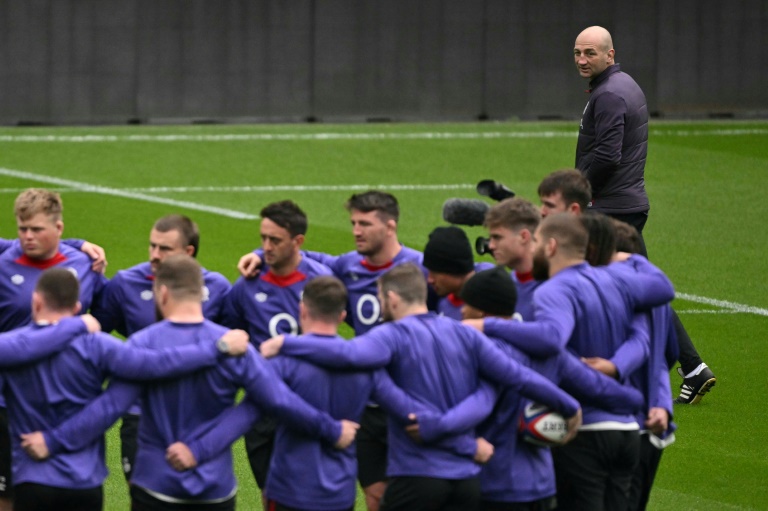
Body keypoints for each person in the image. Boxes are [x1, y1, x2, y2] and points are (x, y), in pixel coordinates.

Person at [23, 255, 356, 510]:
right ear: (201, 292)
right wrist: (331, 430)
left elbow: (110, 407)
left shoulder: (143, 344)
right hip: (216, 489)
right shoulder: (234, 344)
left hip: (155, 483)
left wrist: (53, 441)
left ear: (162, 292)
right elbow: (272, 401)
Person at [260, 263, 585, 511]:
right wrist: (569, 406)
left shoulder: (392, 335)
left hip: (417, 479)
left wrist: (286, 343)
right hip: (467, 482)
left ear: (391, 298)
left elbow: (348, 353)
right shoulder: (466, 334)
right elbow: (519, 377)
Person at [168, 275, 448, 511]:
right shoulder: (367, 368)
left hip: (290, 490)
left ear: (302, 310)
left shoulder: (281, 364)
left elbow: (245, 415)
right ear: (342, 316)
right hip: (339, 493)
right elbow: (409, 413)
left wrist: (196, 451)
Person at [465, 214, 673, 510]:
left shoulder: (554, 289)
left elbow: (551, 338)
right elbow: (664, 289)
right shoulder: (616, 280)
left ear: (550, 246)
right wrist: (631, 259)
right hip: (626, 431)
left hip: (583, 430)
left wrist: (487, 326)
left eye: (536, 241)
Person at [239, 190, 427, 511]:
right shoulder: (348, 265)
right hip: (365, 403)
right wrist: (261, 251)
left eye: (365, 223)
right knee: (375, 496)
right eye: (353, 222)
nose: (355, 230)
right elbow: (298, 252)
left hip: (407, 393)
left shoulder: (419, 268)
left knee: (411, 496)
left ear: (390, 226)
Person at [2, 268, 250, 511]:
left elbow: (25, 346)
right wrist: (217, 348)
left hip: (31, 477)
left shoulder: (10, 348)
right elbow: (153, 364)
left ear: (35, 302)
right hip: (83, 482)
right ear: (77, 308)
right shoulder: (99, 346)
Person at [414, 265, 647, 511]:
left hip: (492, 485)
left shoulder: (476, 355)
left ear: (480, 311)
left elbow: (468, 409)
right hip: (542, 486)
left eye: (466, 303)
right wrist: (642, 402)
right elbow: (604, 392)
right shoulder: (552, 356)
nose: (461, 309)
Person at [537, 169, 717, 405]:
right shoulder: (551, 254)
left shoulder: (610, 267)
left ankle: (692, 368)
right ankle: (692, 368)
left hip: (615, 202)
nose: (541, 211)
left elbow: (607, 155)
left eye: (548, 205)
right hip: (603, 401)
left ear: (573, 210)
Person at [90, 213, 232, 481]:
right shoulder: (125, 283)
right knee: (143, 496)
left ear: (188, 252)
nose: (154, 255)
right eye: (152, 245)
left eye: (164, 248)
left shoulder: (218, 288)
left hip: (199, 414)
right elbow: (97, 335)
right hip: (140, 413)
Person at [0, 188, 108, 510]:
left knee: (70, 488)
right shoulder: (4, 262)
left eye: (37, 230)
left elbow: (108, 312)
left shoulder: (85, 265)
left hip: (70, 398)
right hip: (9, 401)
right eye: (22, 229)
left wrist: (78, 245)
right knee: (8, 493)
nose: (27, 237)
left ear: (58, 228)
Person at [219, 200, 332, 503]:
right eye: (263, 239)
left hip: (309, 401)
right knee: (271, 494)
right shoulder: (246, 286)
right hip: (264, 404)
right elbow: (231, 331)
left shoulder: (319, 282)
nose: (266, 247)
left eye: (275, 240)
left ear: (298, 242)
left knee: (309, 494)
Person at [573, 26, 650, 257]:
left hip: (610, 207)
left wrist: (582, 192)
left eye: (590, 53)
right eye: (577, 53)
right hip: (625, 202)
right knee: (633, 276)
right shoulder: (623, 82)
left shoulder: (608, 94)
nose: (582, 60)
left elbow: (607, 157)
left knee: (601, 281)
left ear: (610, 55)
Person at [422, 226, 494, 320]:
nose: (430, 279)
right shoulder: (443, 304)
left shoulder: (494, 291)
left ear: (454, 268)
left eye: (435, 272)